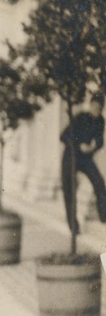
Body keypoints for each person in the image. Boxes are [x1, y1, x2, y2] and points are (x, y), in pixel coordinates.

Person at [60, 92, 106, 234]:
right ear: (90, 105)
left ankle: (104, 217)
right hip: (71, 156)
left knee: (99, 183)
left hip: (85, 158)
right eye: (94, 107)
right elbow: (63, 136)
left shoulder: (100, 121)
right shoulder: (80, 117)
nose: (96, 111)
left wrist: (93, 147)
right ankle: (73, 226)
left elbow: (100, 141)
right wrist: (79, 145)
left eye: (99, 109)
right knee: (69, 190)